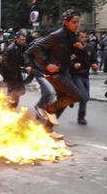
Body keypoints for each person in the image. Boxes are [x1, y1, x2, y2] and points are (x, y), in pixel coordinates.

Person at [25, 9, 83, 139]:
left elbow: (70, 55)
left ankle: (48, 129)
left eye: (78, 22)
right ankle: (48, 107)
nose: (77, 24)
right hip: (54, 73)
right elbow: (33, 49)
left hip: (64, 71)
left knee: (63, 102)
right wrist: (46, 64)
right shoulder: (57, 35)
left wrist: (79, 51)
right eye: (74, 22)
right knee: (77, 96)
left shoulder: (72, 35)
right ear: (66, 22)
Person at [70, 31, 98, 125]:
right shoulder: (73, 47)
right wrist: (74, 64)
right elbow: (69, 60)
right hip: (76, 75)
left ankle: (81, 118)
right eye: (81, 37)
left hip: (86, 75)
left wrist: (95, 64)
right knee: (84, 96)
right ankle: (72, 98)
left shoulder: (90, 47)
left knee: (85, 97)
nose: (83, 39)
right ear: (78, 38)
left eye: (85, 37)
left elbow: (94, 59)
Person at [2, 33, 32, 108]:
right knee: (12, 92)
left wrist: (27, 66)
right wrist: (8, 75)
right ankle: (9, 108)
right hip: (11, 75)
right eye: (22, 40)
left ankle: (12, 106)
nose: (23, 41)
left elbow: (26, 58)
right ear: (17, 39)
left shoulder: (25, 47)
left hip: (19, 74)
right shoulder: (10, 49)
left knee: (19, 92)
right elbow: (4, 63)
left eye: (24, 40)